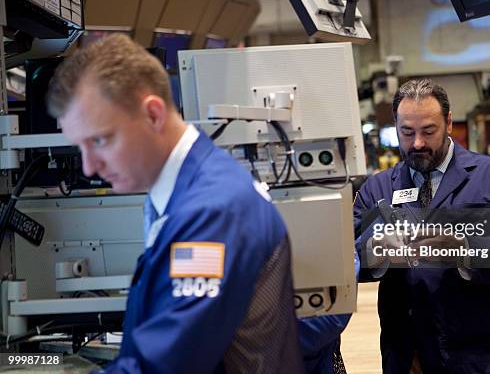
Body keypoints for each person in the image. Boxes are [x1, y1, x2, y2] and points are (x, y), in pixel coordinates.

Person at [46, 34, 304, 373]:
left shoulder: (212, 210)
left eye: (99, 140)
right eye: (80, 147)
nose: (89, 166)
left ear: (153, 115)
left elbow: (168, 365)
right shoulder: (180, 192)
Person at [353, 78, 490, 373]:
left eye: (428, 131)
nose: (417, 143)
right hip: (409, 354)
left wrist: (465, 248)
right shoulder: (377, 188)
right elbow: (346, 258)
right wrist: (374, 249)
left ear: (448, 122)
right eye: (407, 132)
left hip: (481, 352)